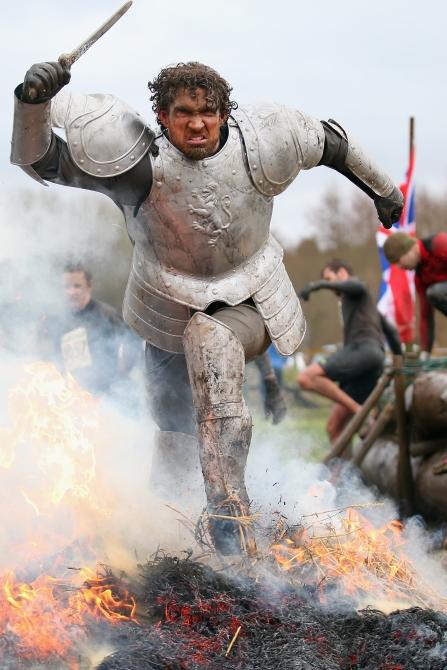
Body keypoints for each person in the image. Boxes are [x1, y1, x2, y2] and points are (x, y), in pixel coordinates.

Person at [11, 59, 403, 554]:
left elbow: (330, 142)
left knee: (211, 337)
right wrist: (33, 103)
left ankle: (229, 514)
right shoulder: (135, 166)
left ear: (224, 112)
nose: (197, 122)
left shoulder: (263, 142)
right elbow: (43, 161)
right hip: (166, 305)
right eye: (184, 112)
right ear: (162, 114)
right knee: (171, 424)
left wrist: (385, 190)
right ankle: (171, 538)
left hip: (250, 296)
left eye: (208, 111)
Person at [297, 259, 402, 443]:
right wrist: (400, 360)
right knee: (334, 428)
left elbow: (356, 286)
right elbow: (391, 332)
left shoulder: (358, 288)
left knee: (306, 378)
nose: (331, 286)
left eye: (330, 279)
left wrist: (317, 285)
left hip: (364, 351)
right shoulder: (364, 304)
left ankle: (360, 411)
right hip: (370, 364)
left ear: (342, 273)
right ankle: (341, 472)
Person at [42, 261, 141, 396]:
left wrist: (122, 374)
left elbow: (133, 342)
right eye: (67, 287)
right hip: (71, 396)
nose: (71, 292)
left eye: (77, 286)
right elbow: (54, 357)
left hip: (105, 395)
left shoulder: (106, 314)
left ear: (88, 287)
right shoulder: (59, 319)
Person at [383, 231, 447, 354]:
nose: (399, 267)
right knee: (433, 294)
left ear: (411, 249)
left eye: (398, 260)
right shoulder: (420, 277)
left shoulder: (440, 244)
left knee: (436, 292)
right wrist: (425, 353)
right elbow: (426, 317)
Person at [254, 350, 287, 424]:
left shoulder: (266, 339)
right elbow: (286, 353)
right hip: (278, 367)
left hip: (267, 368)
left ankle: (267, 414)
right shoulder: (278, 339)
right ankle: (277, 413)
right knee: (277, 390)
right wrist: (283, 362)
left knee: (264, 392)